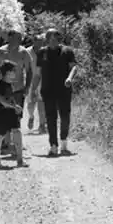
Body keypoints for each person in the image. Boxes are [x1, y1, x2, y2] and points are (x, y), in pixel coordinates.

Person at [0, 29, 33, 155]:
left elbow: (29, 71)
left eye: (20, 38)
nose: (20, 40)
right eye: (17, 37)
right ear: (9, 38)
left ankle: (14, 144)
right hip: (3, 89)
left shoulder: (24, 52)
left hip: (17, 89)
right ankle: (7, 142)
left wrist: (27, 87)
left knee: (16, 115)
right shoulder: (0, 52)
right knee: (4, 114)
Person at [36, 28, 78, 156]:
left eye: (54, 39)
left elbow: (74, 67)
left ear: (59, 39)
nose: (51, 41)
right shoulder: (42, 52)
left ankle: (64, 142)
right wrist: (34, 89)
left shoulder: (67, 51)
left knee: (65, 116)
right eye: (49, 39)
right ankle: (53, 145)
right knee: (50, 118)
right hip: (47, 90)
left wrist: (70, 78)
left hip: (64, 89)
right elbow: (38, 73)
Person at [0, 61, 26, 169]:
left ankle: (20, 159)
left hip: (11, 113)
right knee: (0, 135)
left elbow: (10, 99)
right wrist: (13, 107)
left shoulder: (9, 85)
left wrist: (16, 105)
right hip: (2, 114)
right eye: (13, 71)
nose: (15, 73)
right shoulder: (0, 85)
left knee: (17, 132)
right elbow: (1, 100)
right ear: (7, 72)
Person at [25, 33, 46, 133]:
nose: (40, 45)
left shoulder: (46, 52)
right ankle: (31, 116)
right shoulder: (27, 52)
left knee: (42, 103)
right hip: (30, 80)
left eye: (41, 43)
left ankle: (42, 125)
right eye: (38, 42)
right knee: (31, 104)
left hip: (43, 81)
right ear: (34, 42)